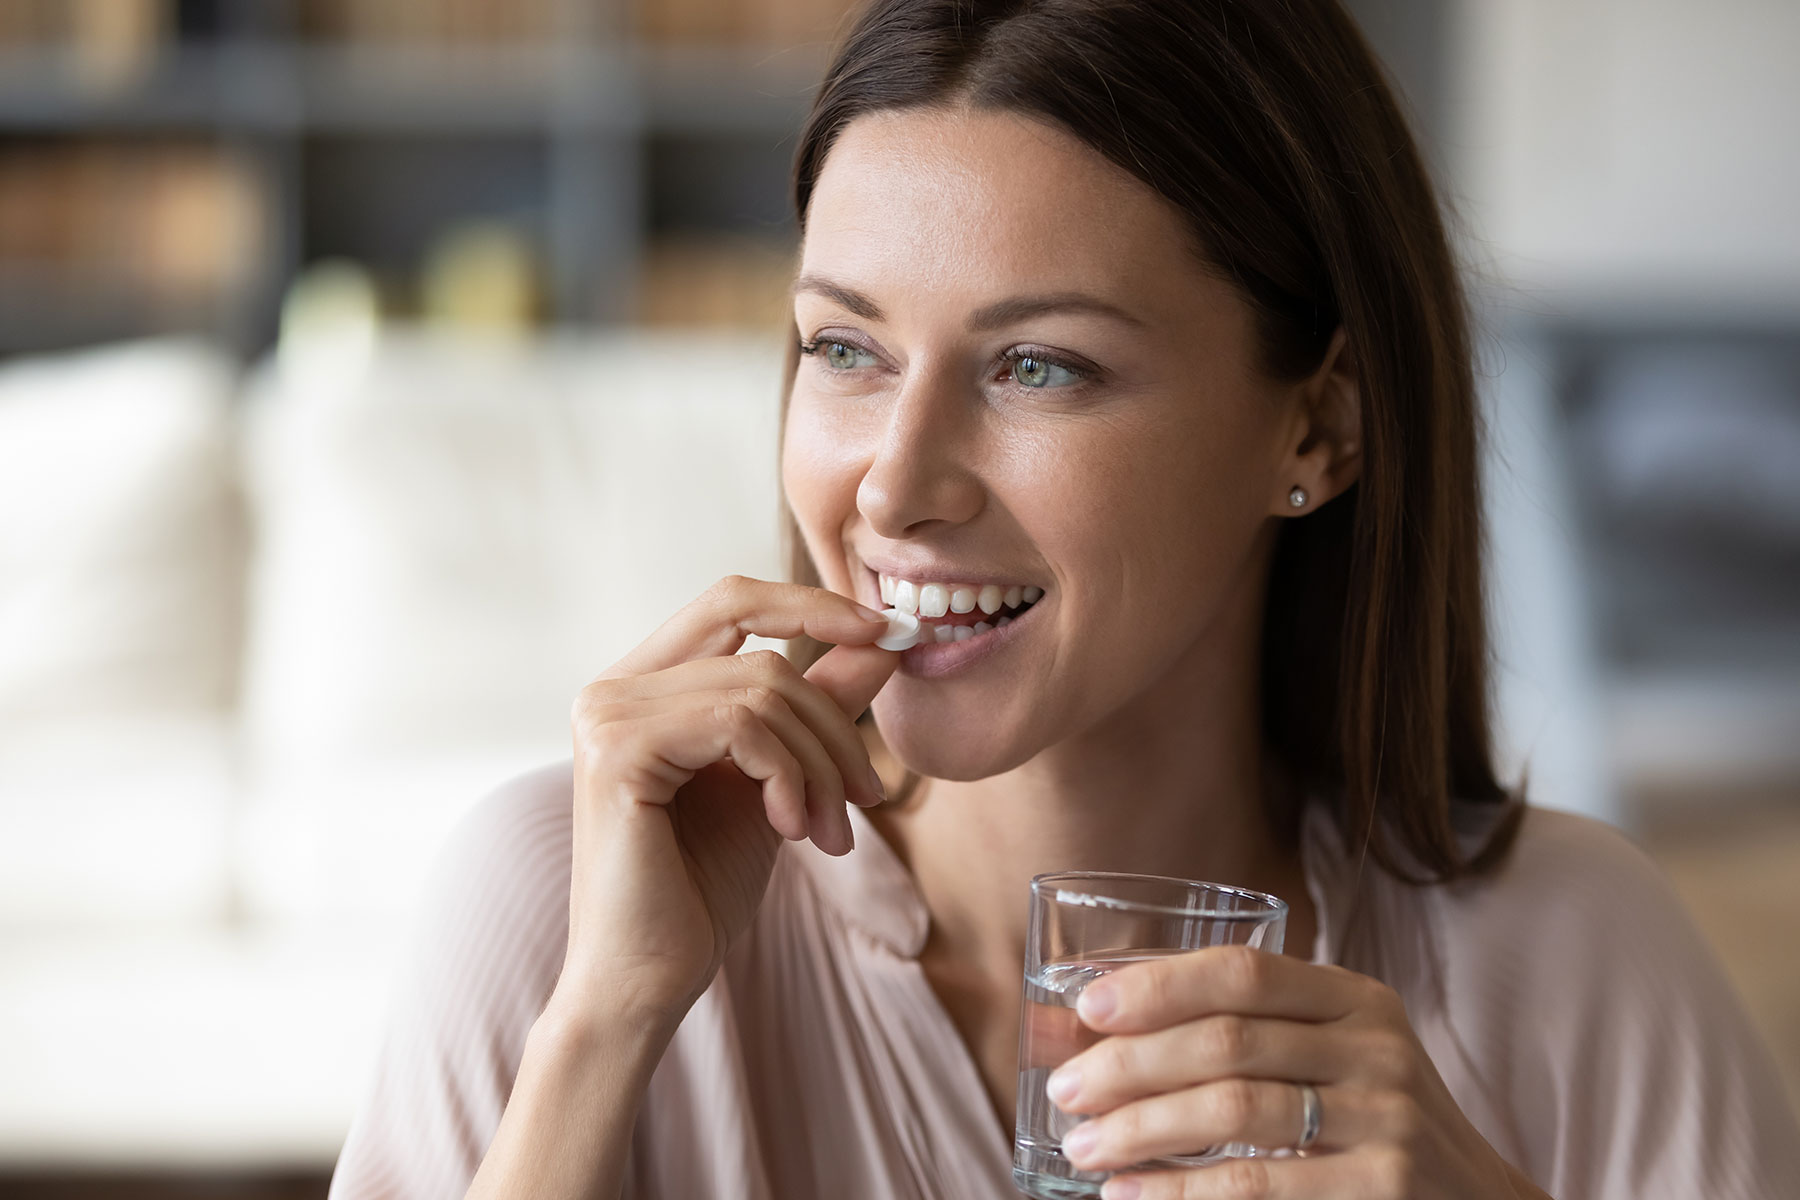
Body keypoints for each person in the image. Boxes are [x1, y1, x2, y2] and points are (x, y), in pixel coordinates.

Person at [327, 2, 1800, 1197]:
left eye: (1041, 367)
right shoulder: (564, 905)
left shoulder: (1576, 955)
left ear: (1318, 428)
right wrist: (600, 1035)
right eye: (845, 349)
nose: (894, 487)